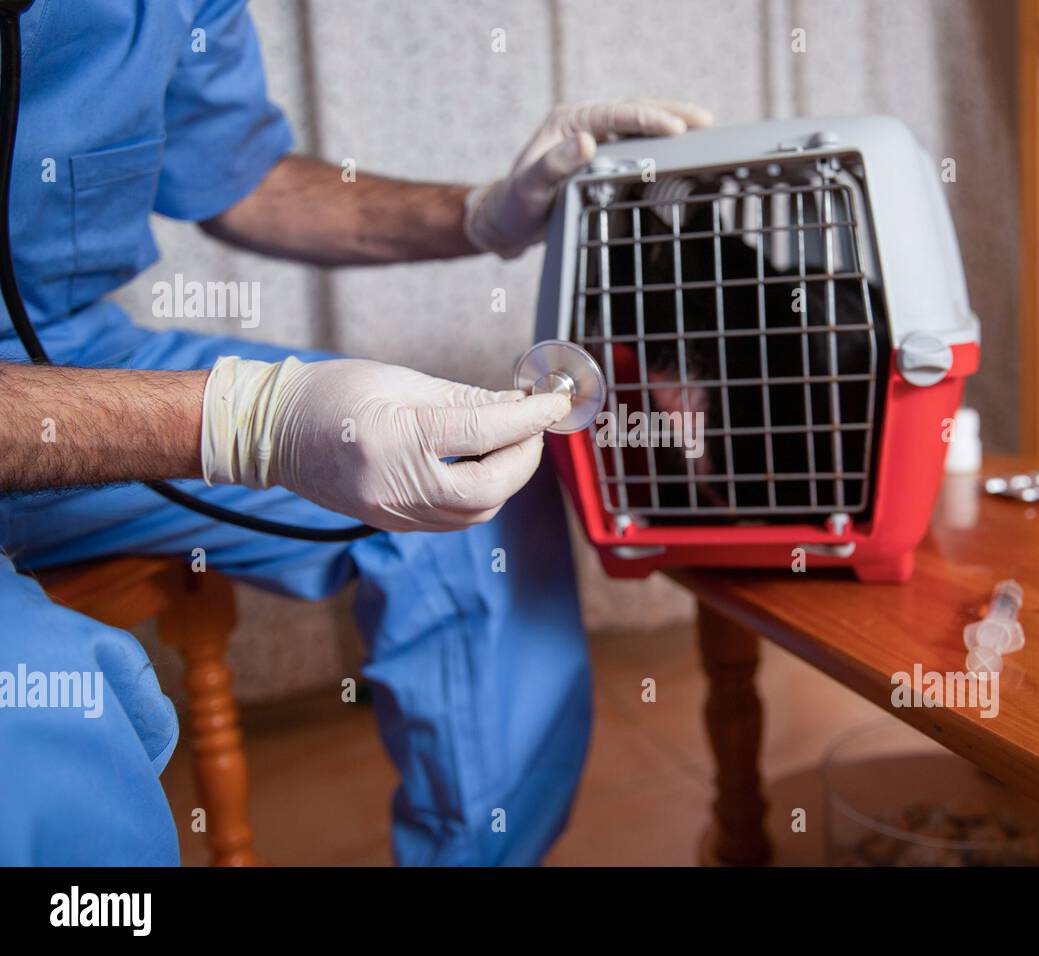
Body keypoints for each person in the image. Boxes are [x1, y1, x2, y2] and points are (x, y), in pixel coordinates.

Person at [0, 0, 712, 866]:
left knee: (469, 518)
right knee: (47, 731)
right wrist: (249, 423)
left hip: (73, 351)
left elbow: (245, 179)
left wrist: (484, 213)